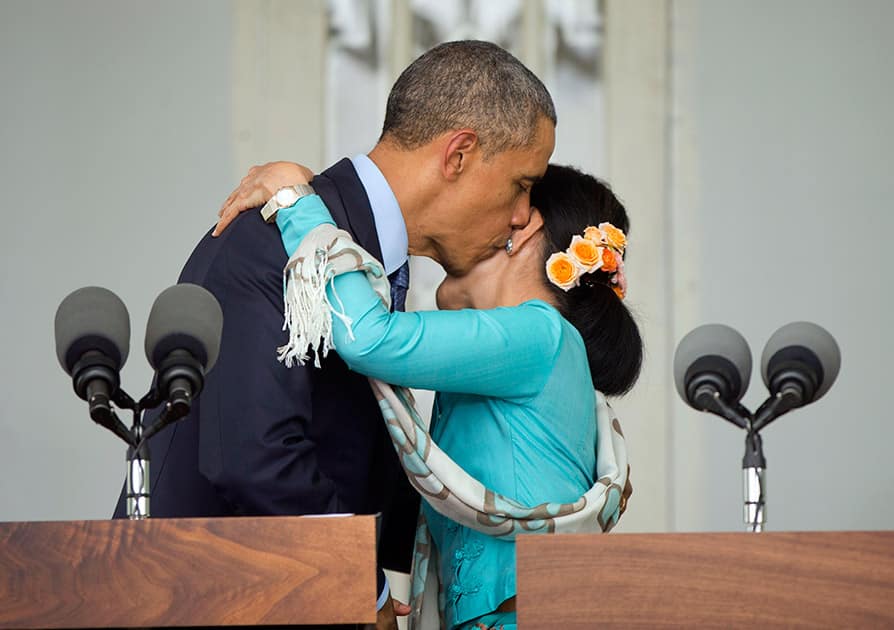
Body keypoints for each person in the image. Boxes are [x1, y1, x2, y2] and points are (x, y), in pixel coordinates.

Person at [114, 40, 557, 629]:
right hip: (197, 602)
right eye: (521, 184)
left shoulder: (359, 253)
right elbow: (254, 455)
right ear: (460, 154)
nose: (522, 215)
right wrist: (362, 592)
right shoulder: (269, 240)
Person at [217, 163, 643, 630]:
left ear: (521, 228)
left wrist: (296, 204)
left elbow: (368, 338)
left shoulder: (541, 334)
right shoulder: (513, 361)